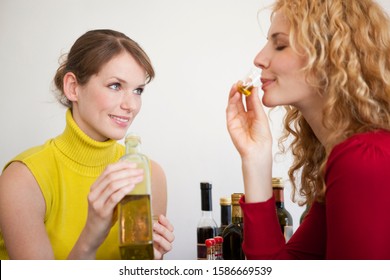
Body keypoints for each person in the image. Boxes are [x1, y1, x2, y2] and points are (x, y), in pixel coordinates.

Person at [226, 0, 390, 259]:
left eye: (280, 45)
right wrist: (255, 158)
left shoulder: (363, 159)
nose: (259, 59)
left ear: (332, 56)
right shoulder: (349, 156)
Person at [0, 29, 174, 260]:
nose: (131, 105)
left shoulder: (151, 174)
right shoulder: (23, 179)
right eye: (115, 86)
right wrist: (91, 237)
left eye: (138, 90)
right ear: (73, 87)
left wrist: (147, 265)